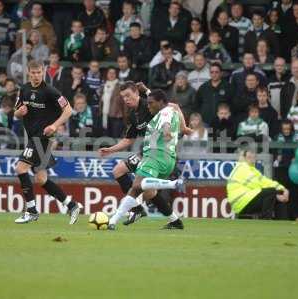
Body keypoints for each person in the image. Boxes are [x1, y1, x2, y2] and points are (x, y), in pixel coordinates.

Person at [98, 81, 190, 227]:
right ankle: (173, 220)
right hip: (148, 150)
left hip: (159, 152)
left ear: (136, 93)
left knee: (137, 184)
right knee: (146, 191)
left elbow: (172, 107)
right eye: (123, 97)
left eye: (128, 95)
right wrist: (111, 149)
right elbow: (129, 140)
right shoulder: (132, 115)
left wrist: (183, 128)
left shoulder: (150, 104)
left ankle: (132, 210)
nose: (126, 99)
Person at [13, 60, 80, 224]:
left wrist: (54, 125)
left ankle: (31, 211)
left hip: (42, 138)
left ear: (43, 72)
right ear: (29, 73)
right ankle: (71, 205)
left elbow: (69, 110)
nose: (36, 76)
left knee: (21, 168)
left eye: (39, 72)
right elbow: (16, 113)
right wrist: (19, 112)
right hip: (33, 137)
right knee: (41, 179)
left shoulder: (50, 91)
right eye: (33, 73)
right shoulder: (24, 89)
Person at [227, 148, 289, 219]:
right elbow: (255, 184)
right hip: (241, 203)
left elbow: (266, 181)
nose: (252, 157)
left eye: (253, 155)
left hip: (246, 200)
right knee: (271, 192)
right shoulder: (242, 167)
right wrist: (275, 195)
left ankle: (282, 222)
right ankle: (266, 219)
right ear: (244, 158)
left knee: (278, 192)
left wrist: (283, 189)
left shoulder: (252, 170)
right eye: (249, 156)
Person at [274, 120, 298, 220]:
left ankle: (296, 215)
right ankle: (280, 216)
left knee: (295, 193)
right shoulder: (277, 137)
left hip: (294, 169)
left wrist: (296, 156)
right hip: (281, 169)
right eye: (284, 129)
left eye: (288, 129)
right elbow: (272, 151)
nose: (286, 131)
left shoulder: (297, 137)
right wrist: (277, 157)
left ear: (291, 128)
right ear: (281, 129)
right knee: (281, 192)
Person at [98, 67, 125, 137]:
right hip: (105, 116)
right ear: (107, 74)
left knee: (116, 139)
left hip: (117, 117)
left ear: (116, 74)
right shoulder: (103, 86)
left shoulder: (121, 86)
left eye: (113, 73)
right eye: (110, 73)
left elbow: (124, 102)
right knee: (107, 139)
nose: (111, 75)